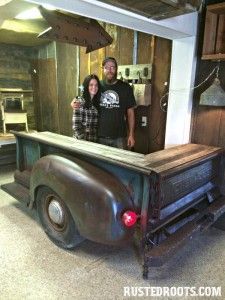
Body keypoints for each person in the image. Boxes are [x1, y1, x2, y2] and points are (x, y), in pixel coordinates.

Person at [71, 57, 136, 149]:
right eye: (106, 67)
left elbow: (131, 113)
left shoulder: (126, 88)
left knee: (119, 163)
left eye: (112, 67)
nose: (109, 70)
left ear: (116, 69)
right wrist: (75, 100)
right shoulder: (98, 86)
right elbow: (85, 96)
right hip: (98, 137)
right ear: (103, 69)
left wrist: (131, 134)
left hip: (119, 137)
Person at [72, 74, 101, 142]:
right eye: (91, 85)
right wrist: (84, 142)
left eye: (96, 85)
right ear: (86, 86)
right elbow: (76, 127)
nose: (94, 87)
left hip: (95, 141)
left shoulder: (97, 102)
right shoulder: (79, 101)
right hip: (82, 142)